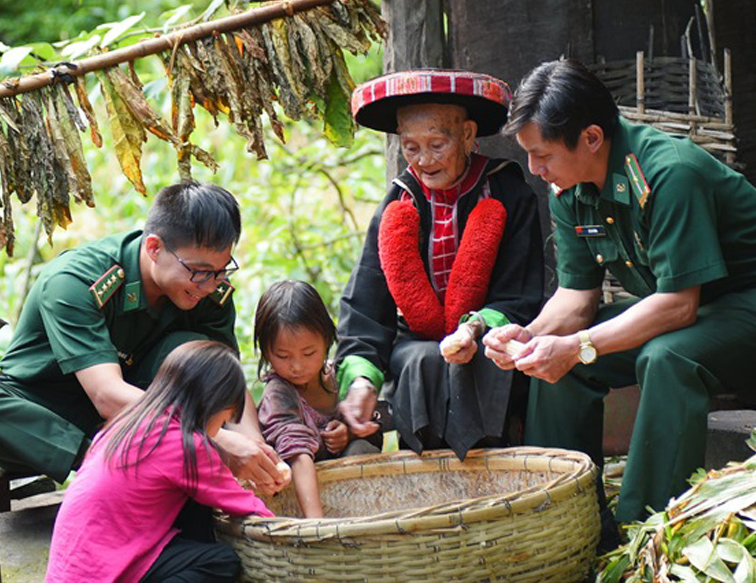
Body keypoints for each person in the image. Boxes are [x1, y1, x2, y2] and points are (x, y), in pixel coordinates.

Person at [483, 59, 756, 530]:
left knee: (666, 357)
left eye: (544, 155)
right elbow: (576, 298)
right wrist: (531, 337)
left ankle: (642, 530)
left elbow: (678, 306)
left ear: (592, 138)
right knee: (552, 364)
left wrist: (577, 347)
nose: (536, 170)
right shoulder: (569, 190)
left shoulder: (668, 172)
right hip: (699, 308)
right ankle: (565, 523)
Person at [0, 180, 286, 493]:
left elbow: (228, 385)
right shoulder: (75, 280)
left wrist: (256, 447)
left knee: (192, 351)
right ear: (154, 248)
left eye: (221, 271)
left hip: (148, 414)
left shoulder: (208, 291)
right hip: (47, 413)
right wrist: (214, 442)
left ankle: (149, 456)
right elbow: (106, 396)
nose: (211, 284)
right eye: (200, 271)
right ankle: (100, 458)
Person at [335, 70, 545, 460]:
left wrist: (475, 328)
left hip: (492, 337)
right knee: (422, 359)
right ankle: (428, 479)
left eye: (436, 144)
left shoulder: (510, 193)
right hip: (415, 341)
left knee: (483, 361)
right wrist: (362, 378)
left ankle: (499, 474)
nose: (424, 161)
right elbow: (365, 302)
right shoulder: (398, 204)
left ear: (467, 135)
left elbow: (521, 293)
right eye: (410, 147)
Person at [45, 340, 273, 583]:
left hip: (72, 570)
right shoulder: (185, 444)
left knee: (194, 507)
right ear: (214, 405)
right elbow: (242, 503)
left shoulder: (127, 423)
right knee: (220, 561)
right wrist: (288, 528)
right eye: (224, 419)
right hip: (102, 573)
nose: (217, 431)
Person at [255, 280, 380, 518]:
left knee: (361, 447)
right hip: (301, 500)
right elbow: (298, 454)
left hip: (353, 500)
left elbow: (376, 421)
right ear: (267, 352)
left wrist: (349, 431)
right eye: (282, 356)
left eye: (309, 353)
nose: (297, 366)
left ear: (326, 340)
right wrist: (317, 525)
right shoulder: (279, 393)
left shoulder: (339, 377)